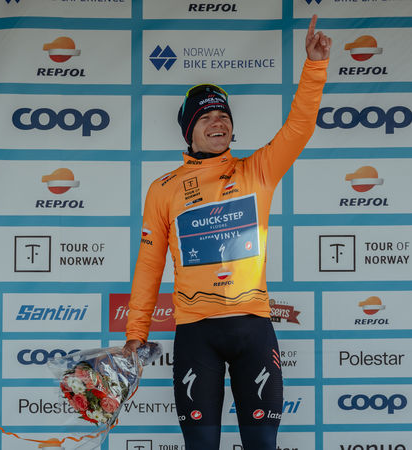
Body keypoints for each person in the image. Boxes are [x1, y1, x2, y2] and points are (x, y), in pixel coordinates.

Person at [123, 15, 331, 450]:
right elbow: (149, 265)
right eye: (206, 117)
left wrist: (314, 67)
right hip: (195, 334)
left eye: (223, 116)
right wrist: (135, 336)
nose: (218, 123)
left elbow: (299, 127)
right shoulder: (163, 189)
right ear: (189, 130)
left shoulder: (257, 171)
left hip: (253, 329)